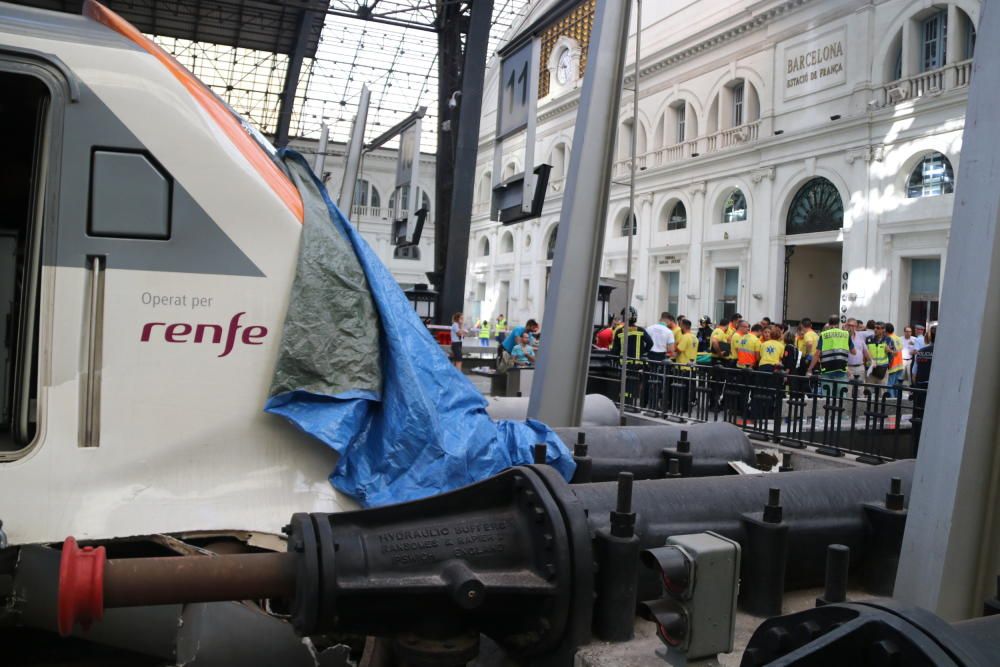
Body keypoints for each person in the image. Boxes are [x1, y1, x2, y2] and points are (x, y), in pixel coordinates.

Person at [808, 316, 855, 398]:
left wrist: (809, 369)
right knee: (841, 398)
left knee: (827, 398)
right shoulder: (846, 334)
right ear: (839, 323)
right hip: (841, 370)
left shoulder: (824, 335)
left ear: (829, 323)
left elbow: (817, 354)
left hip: (827, 370)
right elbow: (854, 352)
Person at [865, 322, 896, 386]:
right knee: (868, 392)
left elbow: (895, 354)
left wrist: (889, 350)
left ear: (883, 330)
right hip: (870, 369)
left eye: (878, 328)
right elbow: (865, 352)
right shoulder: (869, 339)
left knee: (882, 392)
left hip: (882, 370)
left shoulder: (888, 340)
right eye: (875, 328)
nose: (875, 330)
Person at [885, 323, 905, 398]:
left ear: (886, 331)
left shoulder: (888, 339)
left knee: (890, 385)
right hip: (900, 364)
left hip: (892, 365)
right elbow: (900, 348)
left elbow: (887, 351)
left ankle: (892, 402)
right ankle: (898, 401)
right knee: (898, 385)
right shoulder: (897, 338)